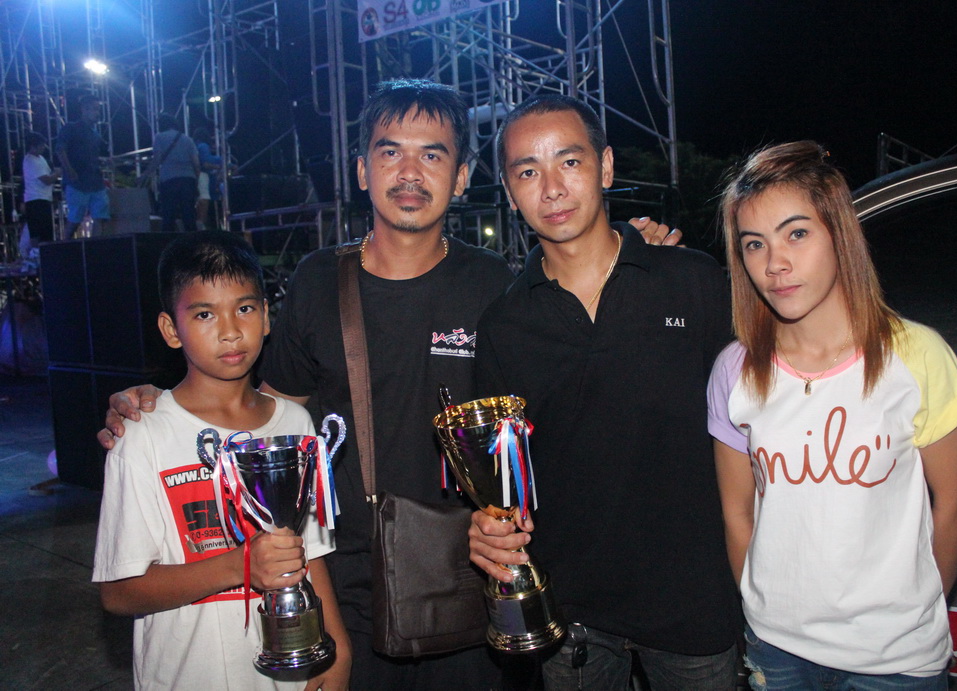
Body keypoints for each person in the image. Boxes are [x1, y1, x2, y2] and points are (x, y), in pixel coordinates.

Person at [97, 80, 681, 690]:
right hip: (349, 589)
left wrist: (636, 254)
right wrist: (166, 406)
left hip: (472, 581)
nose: (409, 173)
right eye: (390, 151)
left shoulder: (495, 286)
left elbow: (568, 381)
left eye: (432, 154)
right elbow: (266, 419)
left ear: (461, 177)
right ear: (361, 170)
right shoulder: (318, 281)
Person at [468, 94, 740, 690]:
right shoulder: (504, 325)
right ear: (510, 192)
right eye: (527, 172)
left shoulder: (692, 281)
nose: (552, 189)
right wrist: (489, 525)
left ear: (606, 167)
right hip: (572, 618)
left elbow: (748, 433)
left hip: (695, 605)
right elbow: (502, 479)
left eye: (570, 162)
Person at [707, 141, 957, 689]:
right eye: (754, 244)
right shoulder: (735, 369)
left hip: (895, 661)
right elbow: (737, 512)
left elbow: (954, 502)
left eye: (796, 234)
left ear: (839, 235)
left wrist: (916, 612)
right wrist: (760, 608)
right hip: (777, 651)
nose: (774, 263)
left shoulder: (916, 354)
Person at [91, 230, 350, 690]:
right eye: (205, 314)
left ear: (267, 316)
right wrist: (238, 566)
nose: (230, 331)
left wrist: (337, 646)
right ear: (171, 330)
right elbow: (118, 591)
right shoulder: (142, 434)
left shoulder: (295, 423)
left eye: (244, 309)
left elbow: (309, 552)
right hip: (188, 674)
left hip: (288, 677)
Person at [55, 94, 109, 238]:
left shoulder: (95, 134)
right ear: (84, 109)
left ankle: (96, 247)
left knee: (100, 216)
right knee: (75, 219)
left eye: (98, 109)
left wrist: (102, 162)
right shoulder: (71, 128)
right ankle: (65, 246)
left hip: (95, 181)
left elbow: (94, 156)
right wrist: (69, 170)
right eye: (95, 109)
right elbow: (60, 150)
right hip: (77, 182)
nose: (97, 113)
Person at [143, 113, 200, 232]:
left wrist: (145, 175)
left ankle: (168, 241)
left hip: (169, 179)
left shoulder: (159, 137)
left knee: (168, 214)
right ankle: (193, 240)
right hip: (188, 179)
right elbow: (196, 163)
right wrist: (196, 180)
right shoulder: (187, 139)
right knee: (189, 214)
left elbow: (157, 160)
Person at [20, 131, 61, 257]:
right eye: (41, 145)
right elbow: (47, 180)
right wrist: (58, 173)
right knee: (37, 231)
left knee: (46, 231)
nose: (44, 147)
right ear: (33, 146)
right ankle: (35, 256)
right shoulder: (30, 161)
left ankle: (44, 255)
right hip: (35, 199)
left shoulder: (41, 159)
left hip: (44, 198)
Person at [194, 126, 222, 229]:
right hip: (204, 178)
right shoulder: (203, 146)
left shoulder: (195, 146)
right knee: (205, 202)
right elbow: (206, 163)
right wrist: (220, 162)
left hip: (195, 177)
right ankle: (202, 227)